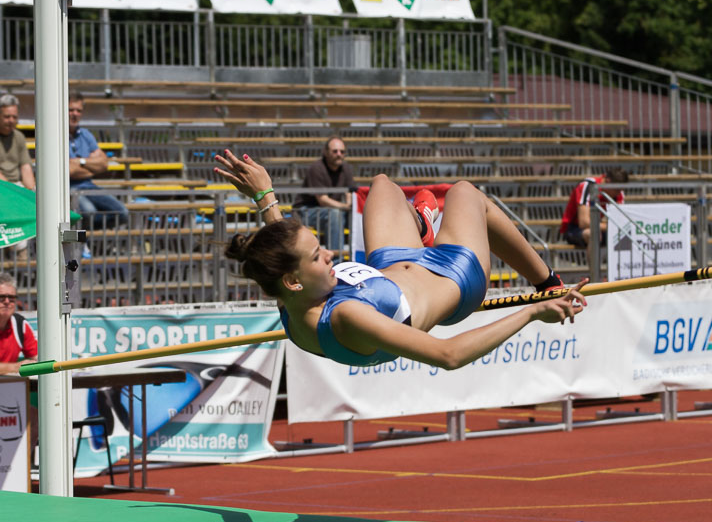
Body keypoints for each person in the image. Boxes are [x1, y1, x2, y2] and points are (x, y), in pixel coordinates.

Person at [213, 150, 582, 370]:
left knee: (382, 185)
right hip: (453, 274)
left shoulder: (289, 296)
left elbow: (279, 252)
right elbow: (448, 355)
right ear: (296, 280)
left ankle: (421, 224)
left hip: (396, 264)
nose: (329, 254)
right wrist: (534, 310)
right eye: (318, 255)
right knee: (465, 194)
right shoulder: (346, 316)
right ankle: (547, 280)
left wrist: (265, 197)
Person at [68, 89, 129, 228]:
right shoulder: (56, 134)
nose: (75, 114)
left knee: (123, 213)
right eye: (70, 110)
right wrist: (91, 166)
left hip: (88, 186)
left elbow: (104, 164)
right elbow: (69, 171)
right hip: (68, 189)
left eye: (79, 110)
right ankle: (82, 243)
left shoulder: (86, 134)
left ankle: (87, 242)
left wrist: (80, 162)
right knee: (89, 212)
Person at [292, 136, 356, 257]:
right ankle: (336, 261)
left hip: (331, 210)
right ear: (325, 152)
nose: (339, 154)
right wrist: (346, 206)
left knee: (358, 216)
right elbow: (323, 200)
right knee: (334, 213)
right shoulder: (317, 168)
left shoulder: (346, 168)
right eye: (335, 151)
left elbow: (349, 191)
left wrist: (349, 205)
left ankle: (361, 258)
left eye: (342, 152)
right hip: (305, 211)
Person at [560, 168, 629, 249]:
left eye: (621, 190)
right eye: (617, 190)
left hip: (597, 226)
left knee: (625, 235)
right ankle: (594, 262)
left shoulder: (619, 192)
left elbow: (620, 220)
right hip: (574, 228)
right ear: (608, 181)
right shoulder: (588, 186)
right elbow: (584, 222)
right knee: (595, 235)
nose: (619, 193)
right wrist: (610, 226)